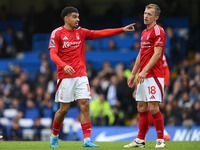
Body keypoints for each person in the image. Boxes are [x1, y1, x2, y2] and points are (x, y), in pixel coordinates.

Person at [49, 6, 135, 148]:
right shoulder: (57, 33)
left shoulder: (81, 32)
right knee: (64, 109)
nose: (78, 19)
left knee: (85, 104)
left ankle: (87, 139)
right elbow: (53, 54)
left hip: (81, 75)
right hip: (65, 76)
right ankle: (54, 136)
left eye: (78, 16)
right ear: (66, 18)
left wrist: (120, 30)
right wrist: (64, 65)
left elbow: (99, 33)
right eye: (74, 17)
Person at [124, 4, 166, 148]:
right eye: (145, 13)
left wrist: (145, 71)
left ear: (156, 17)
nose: (146, 16)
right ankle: (140, 140)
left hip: (154, 75)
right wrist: (133, 74)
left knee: (153, 107)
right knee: (141, 106)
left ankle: (160, 140)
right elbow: (141, 55)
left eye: (149, 14)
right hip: (143, 75)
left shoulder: (159, 31)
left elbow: (157, 54)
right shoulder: (144, 33)